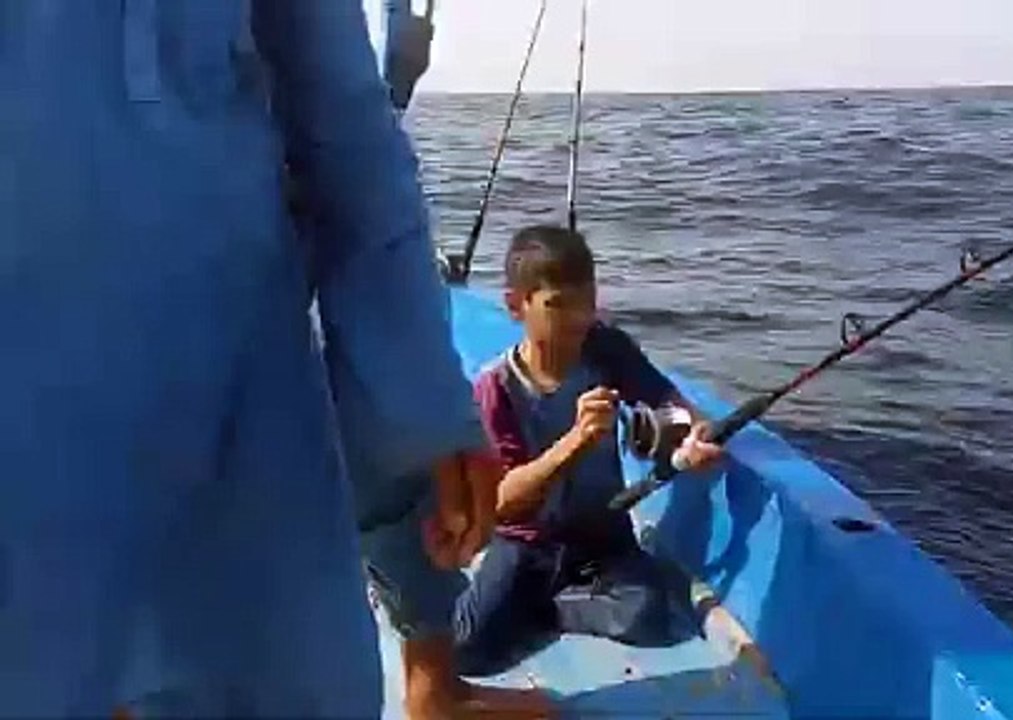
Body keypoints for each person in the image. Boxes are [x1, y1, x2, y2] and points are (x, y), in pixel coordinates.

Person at [0, 2, 529, 717]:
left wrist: (424, 397)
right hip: (28, 426)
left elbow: (348, 134)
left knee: (288, 682)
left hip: (244, 408)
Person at [454, 225, 725, 676]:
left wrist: (694, 435)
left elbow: (667, 401)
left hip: (604, 535)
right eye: (558, 305)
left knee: (650, 616)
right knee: (465, 647)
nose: (578, 318)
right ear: (516, 305)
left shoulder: (605, 349)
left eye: (586, 300)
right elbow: (502, 502)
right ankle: (544, 599)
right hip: (528, 547)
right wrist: (576, 441)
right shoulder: (495, 388)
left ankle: (550, 609)